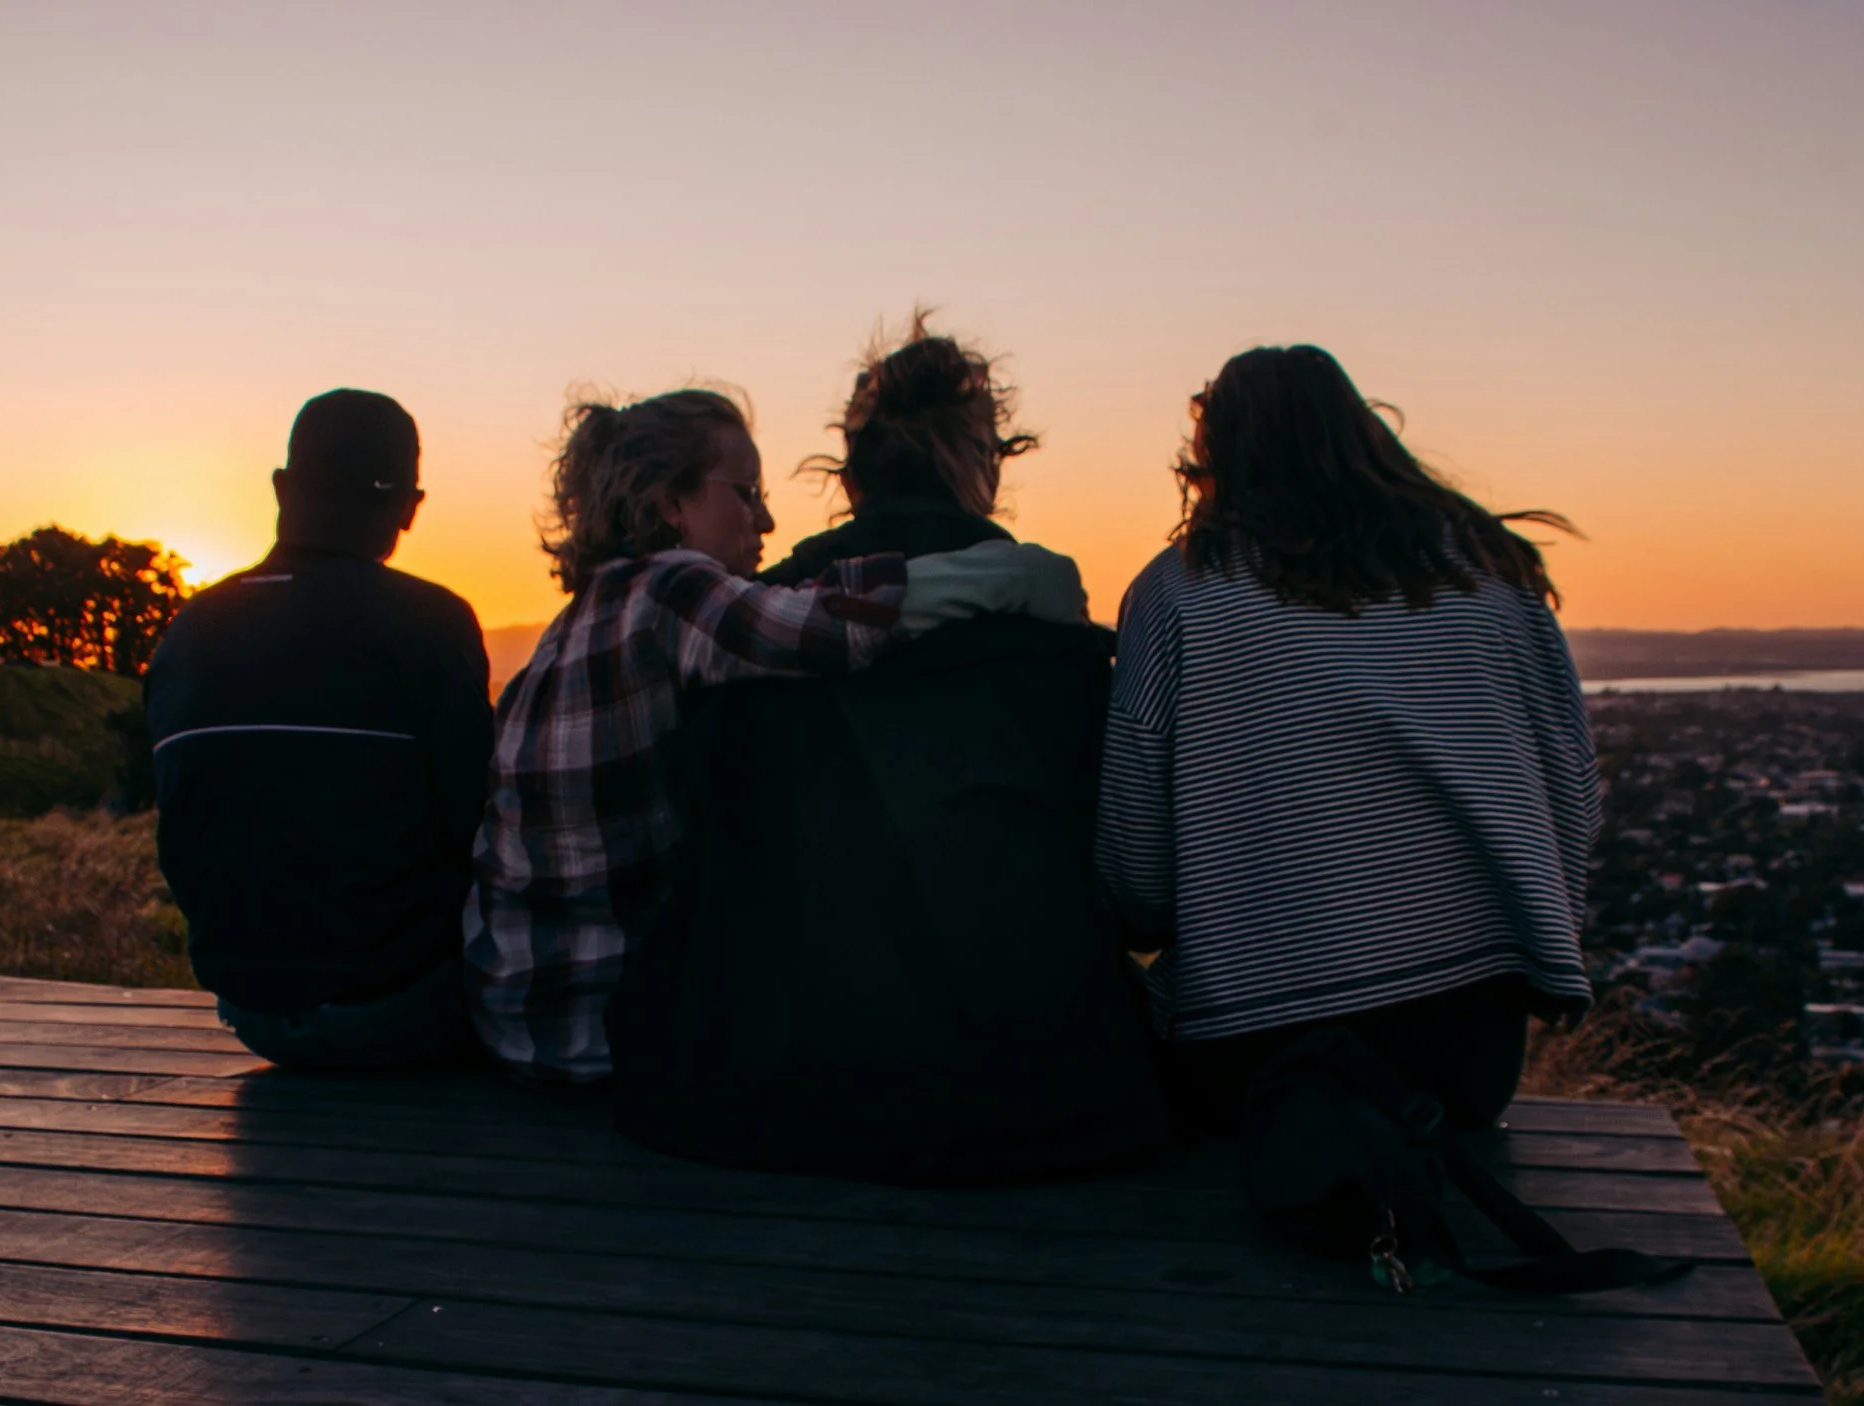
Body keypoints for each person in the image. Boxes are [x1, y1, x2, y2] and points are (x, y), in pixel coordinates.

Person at [610, 322, 1169, 1182]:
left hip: (782, 1087)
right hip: (1034, 1097)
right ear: (977, 460)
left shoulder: (756, 618)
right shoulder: (1049, 633)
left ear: (852, 477)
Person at [465, 385, 1088, 1084]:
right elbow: (828, 623)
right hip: (606, 1033)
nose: (765, 518)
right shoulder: (670, 590)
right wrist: (1015, 577)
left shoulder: (578, 621)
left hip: (521, 1018)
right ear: (671, 503)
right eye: (745, 492)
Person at [1095, 345, 1597, 1135]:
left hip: (1260, 1052)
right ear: (1364, 435)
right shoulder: (1491, 576)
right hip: (1467, 1050)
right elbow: (1569, 789)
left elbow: (1138, 860)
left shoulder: (1179, 590)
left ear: (1216, 451)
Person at [146, 388, 491, 1069]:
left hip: (253, 1011)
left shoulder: (187, 635)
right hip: (405, 1009)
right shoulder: (432, 625)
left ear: (281, 489)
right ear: (410, 508)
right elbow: (476, 831)